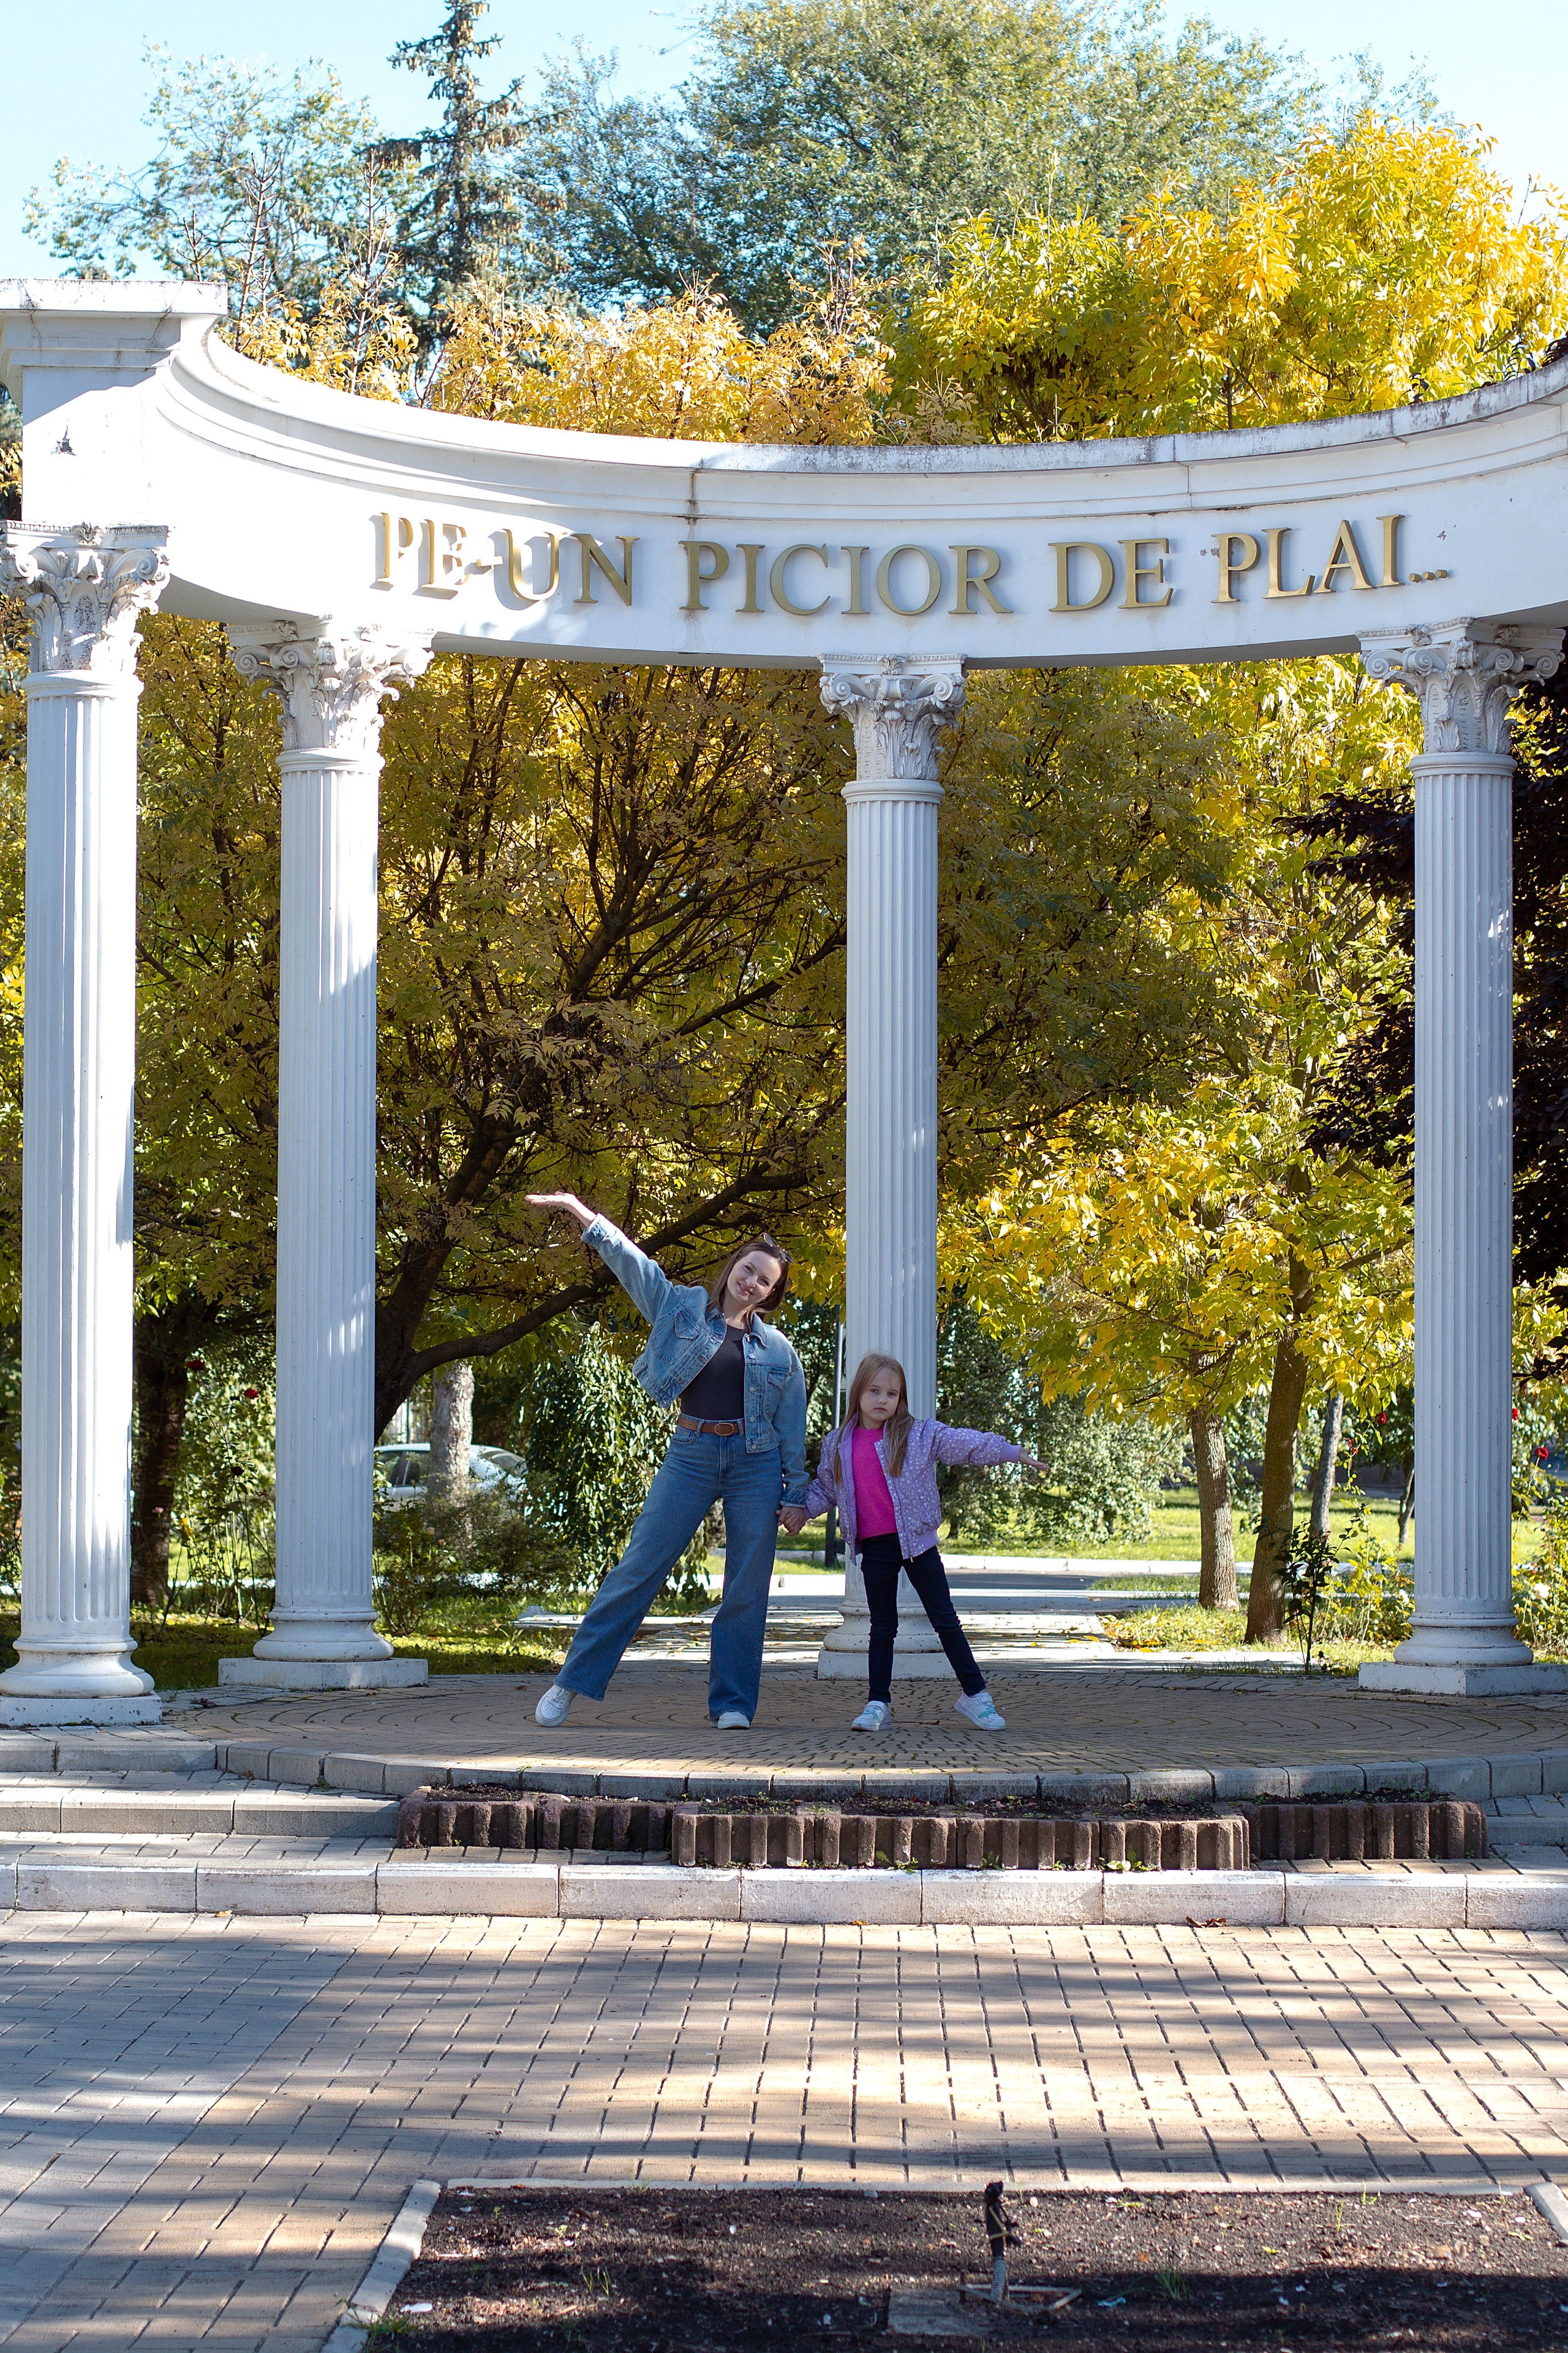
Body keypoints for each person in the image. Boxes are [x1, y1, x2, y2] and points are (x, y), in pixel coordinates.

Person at [524, 1192, 808, 1729]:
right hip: (692, 1453)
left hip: (756, 1463)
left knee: (746, 1588)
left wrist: (796, 1495)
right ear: (734, 1269)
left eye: (764, 1281)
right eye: (749, 1270)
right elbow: (633, 1263)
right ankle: (572, 1681)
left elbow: (792, 1428)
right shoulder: (680, 1308)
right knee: (639, 1568)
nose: (752, 1283)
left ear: (771, 1294)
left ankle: (732, 1704)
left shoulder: (779, 1352)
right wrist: (577, 1210)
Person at [781, 1351, 1047, 1732]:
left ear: (901, 1398)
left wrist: (1012, 1453)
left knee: (945, 1620)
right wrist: (802, 1512)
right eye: (874, 1391)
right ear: (858, 1392)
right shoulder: (838, 1443)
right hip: (875, 1548)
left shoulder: (918, 1435)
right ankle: (877, 1703)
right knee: (882, 1626)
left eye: (892, 1393)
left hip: (918, 1544)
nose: (882, 1400)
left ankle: (976, 1695)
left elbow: (963, 1444)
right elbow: (827, 1487)